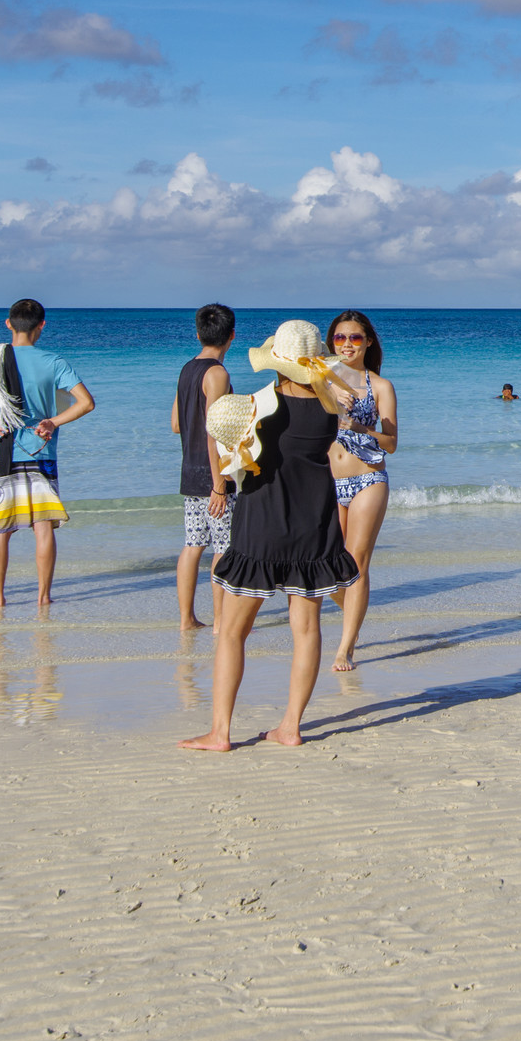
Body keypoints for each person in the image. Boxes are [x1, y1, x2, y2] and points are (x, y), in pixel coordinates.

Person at [182, 321, 361, 751]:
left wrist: (221, 484)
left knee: (231, 633)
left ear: (276, 362)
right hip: (314, 523)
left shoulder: (250, 407)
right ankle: (290, 728)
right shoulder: (333, 409)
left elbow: (222, 447)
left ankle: (220, 733)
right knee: (307, 629)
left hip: (261, 524)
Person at [0, 298, 94, 610]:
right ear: (42, 326)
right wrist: (53, 421)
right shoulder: (54, 362)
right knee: (43, 527)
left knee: (1, 530)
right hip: (41, 452)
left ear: (8, 324)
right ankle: (43, 597)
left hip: (3, 453)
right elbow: (85, 403)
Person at [326, 310, 398, 673]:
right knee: (325, 567)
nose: (347, 345)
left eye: (355, 338)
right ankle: (357, 609)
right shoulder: (319, 378)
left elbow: (392, 443)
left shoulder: (380, 386)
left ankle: (346, 647)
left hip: (369, 479)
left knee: (356, 564)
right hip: (327, 481)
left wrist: (358, 425)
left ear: (368, 341)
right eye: (340, 338)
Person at [170, 303, 238, 630]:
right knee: (224, 549)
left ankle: (186, 619)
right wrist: (219, 484)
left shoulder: (187, 369)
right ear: (232, 336)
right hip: (215, 474)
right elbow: (214, 431)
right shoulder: (218, 374)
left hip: (190, 470)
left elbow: (175, 424)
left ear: (198, 334)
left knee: (193, 545)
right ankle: (222, 620)